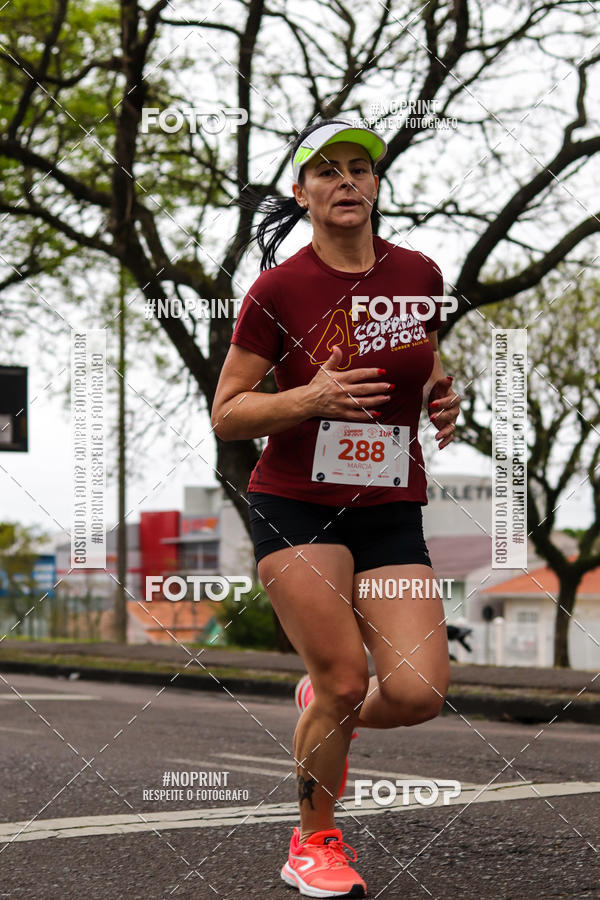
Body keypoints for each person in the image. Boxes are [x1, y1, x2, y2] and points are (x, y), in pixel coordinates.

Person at [211, 117, 461, 899]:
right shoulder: (279, 289)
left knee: (418, 692)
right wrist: (308, 397)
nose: (346, 181)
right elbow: (228, 411)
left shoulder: (419, 273)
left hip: (389, 504)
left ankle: (320, 703)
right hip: (296, 503)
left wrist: (441, 395)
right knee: (350, 681)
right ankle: (313, 839)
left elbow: (420, 363)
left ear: (377, 186)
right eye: (327, 172)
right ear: (303, 192)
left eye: (360, 168)